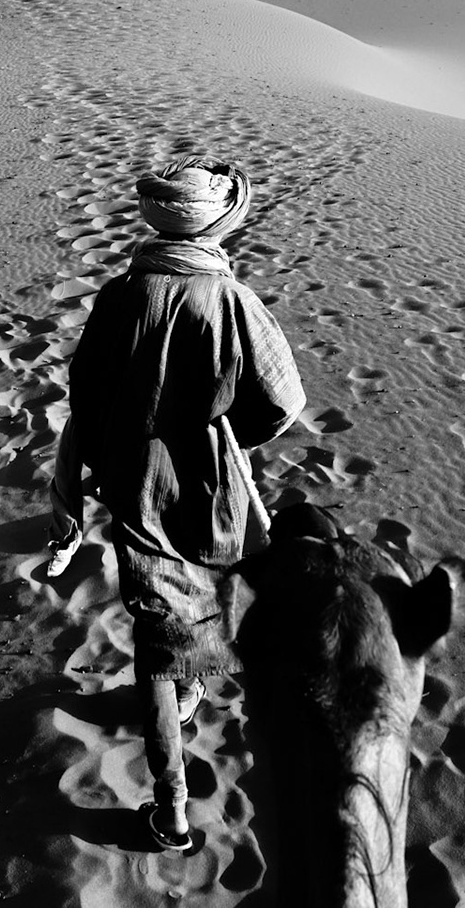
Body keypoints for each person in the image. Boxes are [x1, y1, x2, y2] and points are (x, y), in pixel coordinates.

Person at [45, 154, 306, 851]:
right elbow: (283, 401)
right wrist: (223, 435)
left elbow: (85, 393)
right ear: (218, 223)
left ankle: (175, 779)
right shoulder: (231, 300)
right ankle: (174, 803)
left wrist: (107, 453)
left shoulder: (119, 295)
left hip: (135, 482)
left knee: (161, 621)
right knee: (186, 616)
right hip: (212, 486)